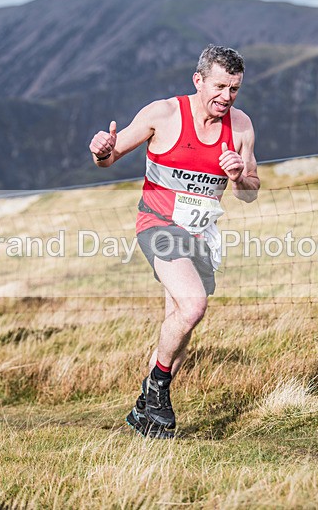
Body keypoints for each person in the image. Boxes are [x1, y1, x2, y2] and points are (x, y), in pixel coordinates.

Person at [89, 44, 260, 438]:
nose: (226, 97)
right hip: (158, 225)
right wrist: (100, 150)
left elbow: (250, 191)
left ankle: (144, 412)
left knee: (179, 324)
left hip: (201, 234)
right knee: (194, 306)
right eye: (219, 87)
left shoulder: (243, 126)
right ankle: (159, 391)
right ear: (198, 80)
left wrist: (238, 176)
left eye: (234, 89)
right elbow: (108, 158)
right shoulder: (162, 114)